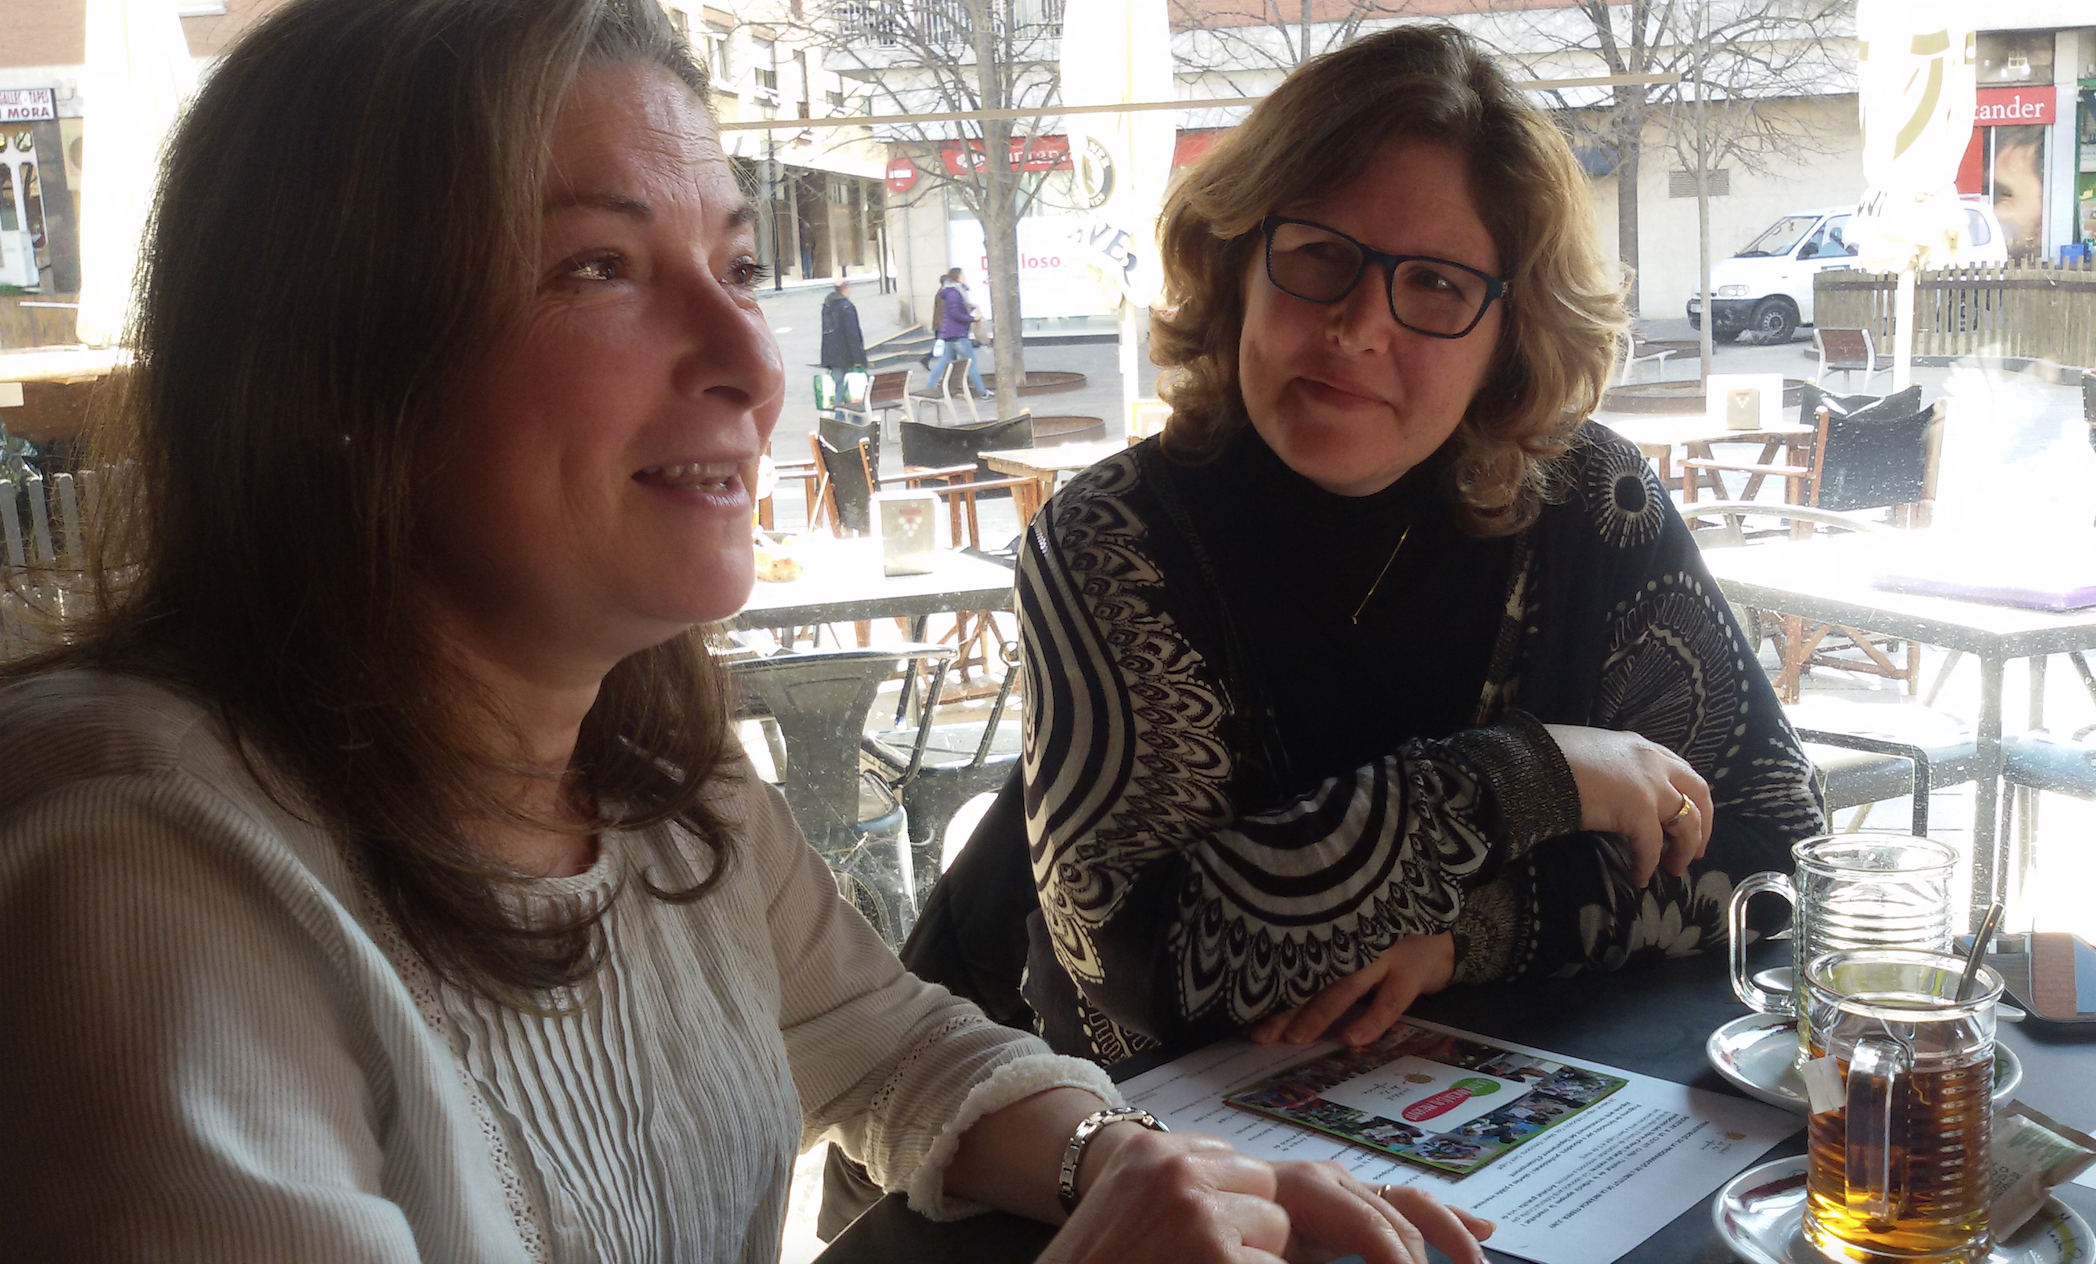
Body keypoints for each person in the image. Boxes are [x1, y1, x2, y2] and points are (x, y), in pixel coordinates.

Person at [0, 2, 1493, 1261]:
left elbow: (899, 1045)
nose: (750, 360)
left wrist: (1126, 1164)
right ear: (331, 368)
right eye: (599, 266)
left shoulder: (655, 771)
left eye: (736, 266)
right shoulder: (139, 871)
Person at [1013, 25, 1825, 1063]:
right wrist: (1537, 774)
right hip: (1178, 1164)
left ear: (1509, 333)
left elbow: (1780, 857)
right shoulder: (1111, 538)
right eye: (1317, 257)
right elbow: (1149, 964)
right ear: (1237, 267)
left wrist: (1467, 936)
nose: (1357, 327)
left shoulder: (1595, 500)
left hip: (1558, 1143)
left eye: (1435, 283)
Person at [925, 265, 992, 402]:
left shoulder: (953, 292)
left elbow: (955, 310)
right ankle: (983, 393)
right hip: (957, 334)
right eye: (963, 275)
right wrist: (973, 318)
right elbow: (955, 313)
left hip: (950, 334)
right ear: (957, 277)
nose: (965, 277)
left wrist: (969, 306)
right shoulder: (954, 293)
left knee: (943, 362)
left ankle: (929, 388)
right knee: (971, 363)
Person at [819, 276, 866, 403]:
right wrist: (858, 358)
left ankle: (839, 418)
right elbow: (853, 334)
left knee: (839, 386)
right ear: (846, 288)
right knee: (853, 388)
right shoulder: (846, 306)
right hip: (846, 355)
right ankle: (853, 418)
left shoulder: (828, 306)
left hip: (831, 355)